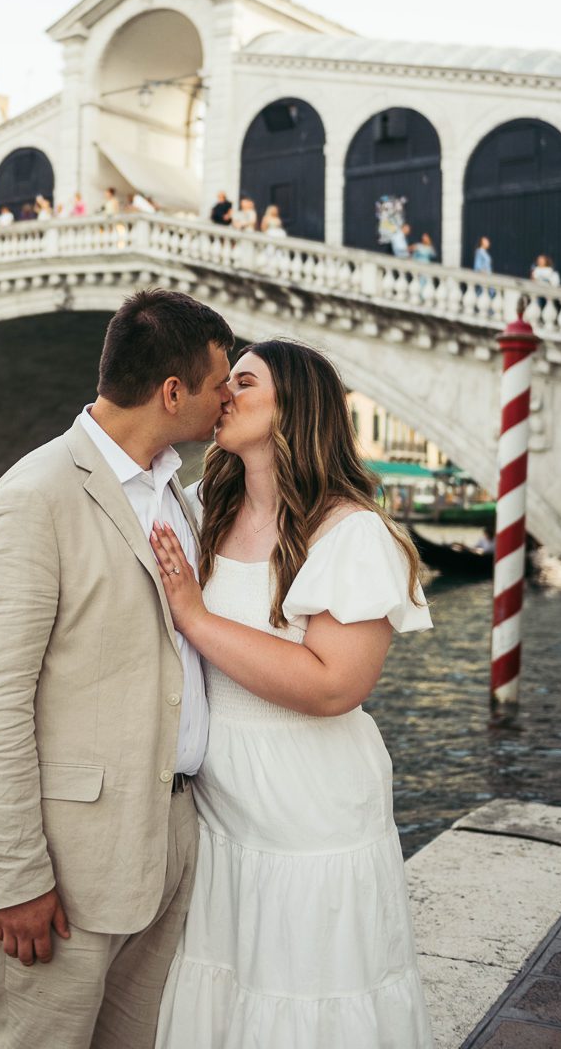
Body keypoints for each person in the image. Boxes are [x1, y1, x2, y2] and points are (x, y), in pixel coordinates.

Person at [0, 290, 235, 1049]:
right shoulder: (34, 496)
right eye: (218, 385)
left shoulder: (174, 491)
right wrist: (16, 880)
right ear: (172, 392)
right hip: (61, 871)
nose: (226, 400)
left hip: (165, 846)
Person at [150, 340, 434, 1049]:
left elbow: (334, 683)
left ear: (293, 407)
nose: (224, 393)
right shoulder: (201, 508)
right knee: (228, 985)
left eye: (243, 382)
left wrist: (195, 617)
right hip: (221, 803)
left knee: (307, 995)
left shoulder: (350, 531)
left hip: (311, 806)